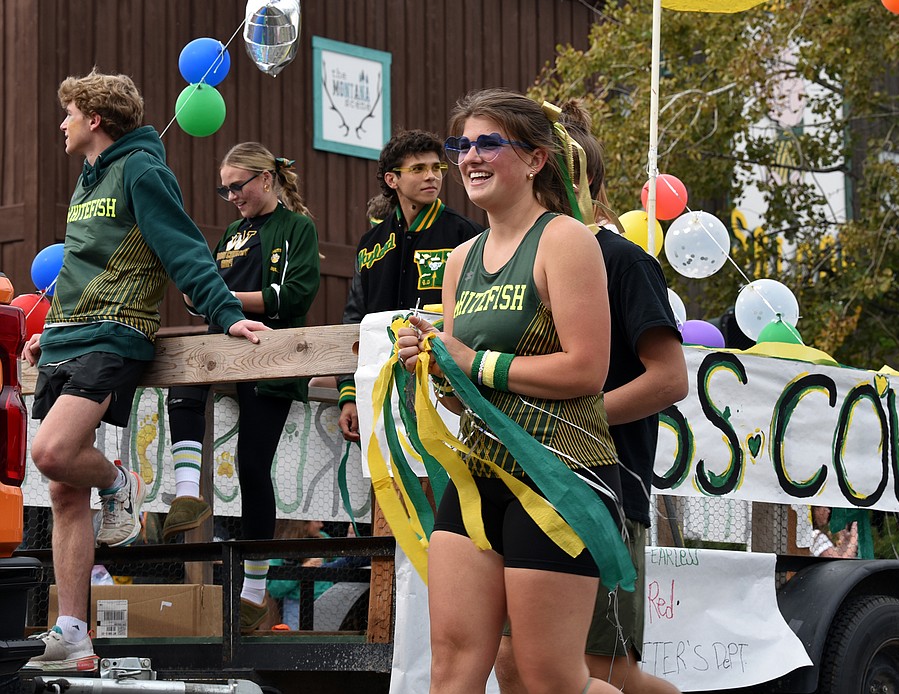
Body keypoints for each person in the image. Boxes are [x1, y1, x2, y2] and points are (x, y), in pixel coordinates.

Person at [24, 71, 268, 672]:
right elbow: (83, 266)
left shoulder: (142, 171)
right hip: (69, 337)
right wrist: (46, 330)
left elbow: (182, 246)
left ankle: (119, 483)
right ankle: (74, 632)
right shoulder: (87, 181)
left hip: (116, 335)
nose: (62, 123)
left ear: (95, 120)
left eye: (70, 113)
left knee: (52, 454)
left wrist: (227, 313)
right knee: (60, 490)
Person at [395, 89, 626, 694]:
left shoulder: (566, 240)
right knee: (452, 664)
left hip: (561, 472)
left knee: (548, 676)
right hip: (479, 473)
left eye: (489, 143)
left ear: (534, 160)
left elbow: (586, 370)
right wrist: (434, 368)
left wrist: (477, 361)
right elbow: (461, 388)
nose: (470, 157)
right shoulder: (459, 260)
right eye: (462, 145)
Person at [494, 101, 688, 694]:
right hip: (521, 487)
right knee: (513, 665)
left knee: (605, 671)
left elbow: (670, 378)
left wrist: (575, 417)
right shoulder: (502, 258)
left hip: (604, 484)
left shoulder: (623, 259)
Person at [162, 142, 320, 632]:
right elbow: (202, 294)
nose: (231, 196)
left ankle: (254, 591)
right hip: (224, 342)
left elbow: (294, 294)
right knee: (183, 387)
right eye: (224, 188)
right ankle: (187, 492)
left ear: (267, 179)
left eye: (239, 186)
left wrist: (223, 298)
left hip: (269, 350)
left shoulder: (297, 227)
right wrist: (198, 296)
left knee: (253, 466)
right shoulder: (230, 233)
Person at [337, 129, 480, 442]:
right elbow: (355, 318)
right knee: (387, 483)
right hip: (383, 385)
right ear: (392, 180)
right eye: (418, 169)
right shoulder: (370, 244)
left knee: (444, 481)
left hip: (448, 387)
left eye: (436, 168)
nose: (432, 177)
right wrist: (349, 391)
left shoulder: (468, 235)